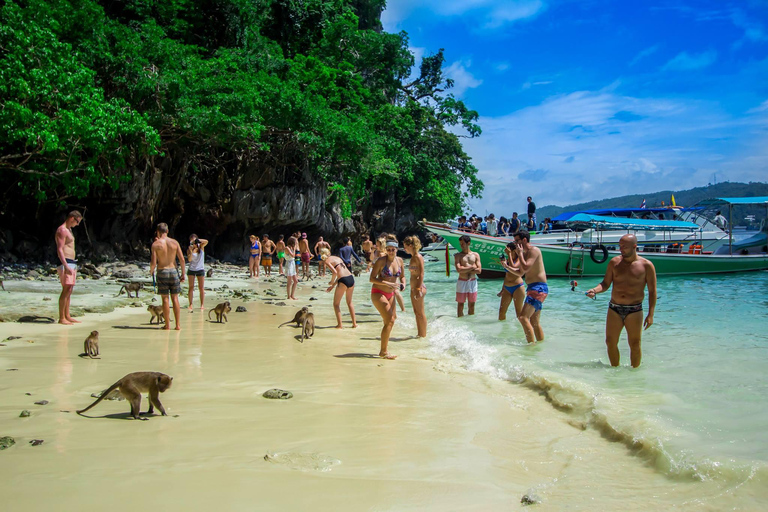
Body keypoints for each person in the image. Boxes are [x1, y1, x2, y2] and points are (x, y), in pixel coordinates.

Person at [586, 234, 657, 368]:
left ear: (634, 246)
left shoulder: (646, 265)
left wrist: (651, 315)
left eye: (624, 247)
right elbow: (605, 284)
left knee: (635, 344)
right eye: (620, 246)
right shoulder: (614, 262)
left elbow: (652, 292)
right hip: (614, 308)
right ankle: (615, 372)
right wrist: (595, 290)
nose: (621, 249)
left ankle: (634, 374)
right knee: (610, 342)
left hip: (634, 310)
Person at [370, 234, 403, 359]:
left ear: (396, 249)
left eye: (392, 249)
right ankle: (383, 351)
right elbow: (372, 279)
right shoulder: (381, 261)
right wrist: (387, 282)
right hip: (378, 292)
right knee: (390, 320)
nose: (390, 251)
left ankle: (384, 348)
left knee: (391, 320)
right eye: (388, 249)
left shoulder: (399, 261)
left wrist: (403, 283)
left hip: (391, 294)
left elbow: (403, 276)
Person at [150, 223, 186, 330]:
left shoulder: (156, 245)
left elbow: (153, 262)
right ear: (167, 231)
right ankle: (178, 325)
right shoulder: (174, 242)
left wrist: (151, 271)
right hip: (174, 271)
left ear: (158, 232)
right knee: (175, 298)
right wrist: (183, 273)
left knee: (165, 299)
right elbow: (182, 259)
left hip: (162, 271)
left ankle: (167, 325)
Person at [513, 230, 547, 343]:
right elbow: (521, 273)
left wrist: (519, 254)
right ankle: (540, 347)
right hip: (533, 288)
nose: (515, 243)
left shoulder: (534, 250)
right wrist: (507, 267)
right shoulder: (525, 254)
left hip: (538, 288)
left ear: (524, 240)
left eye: (517, 241)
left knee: (523, 317)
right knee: (534, 322)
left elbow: (526, 267)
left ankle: (530, 348)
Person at [55, 210, 83, 325]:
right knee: (66, 289)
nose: (77, 224)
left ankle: (67, 315)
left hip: (72, 261)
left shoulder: (69, 230)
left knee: (69, 289)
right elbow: (60, 249)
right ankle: (62, 318)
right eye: (77, 222)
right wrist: (65, 265)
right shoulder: (62, 230)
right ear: (72, 218)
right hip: (65, 262)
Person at [320, 248, 357, 329]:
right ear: (329, 252)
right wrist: (333, 286)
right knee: (350, 302)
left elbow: (335, 272)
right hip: (351, 278)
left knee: (336, 304)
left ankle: (340, 325)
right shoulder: (338, 258)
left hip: (343, 280)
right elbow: (341, 273)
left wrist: (332, 281)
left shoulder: (327, 261)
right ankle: (354, 324)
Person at [403, 236, 427, 337]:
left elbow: (421, 273)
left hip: (418, 287)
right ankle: (419, 334)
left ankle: (423, 335)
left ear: (411, 246)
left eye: (405, 247)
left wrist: (418, 288)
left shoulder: (418, 257)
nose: (404, 249)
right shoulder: (413, 257)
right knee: (416, 312)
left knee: (420, 313)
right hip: (413, 288)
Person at [497, 242, 525, 322]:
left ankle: (520, 332)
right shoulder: (508, 260)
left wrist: (509, 255)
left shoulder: (519, 259)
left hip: (518, 287)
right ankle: (503, 331)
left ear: (513, 251)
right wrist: (502, 289)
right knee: (501, 312)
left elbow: (514, 267)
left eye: (508, 251)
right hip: (507, 288)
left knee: (519, 313)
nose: (506, 252)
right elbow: (507, 275)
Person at [454, 234, 481, 317]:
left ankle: (471, 324)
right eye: (460, 244)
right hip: (462, 281)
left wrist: (465, 268)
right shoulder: (458, 256)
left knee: (472, 305)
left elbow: (479, 270)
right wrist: (472, 267)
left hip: (472, 282)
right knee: (460, 304)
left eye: (463, 243)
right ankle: (460, 324)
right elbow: (459, 270)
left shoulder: (476, 255)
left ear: (468, 243)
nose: (461, 245)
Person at [186, 234, 208, 310]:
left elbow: (206, 241)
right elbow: (189, 260)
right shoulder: (189, 249)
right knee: (191, 287)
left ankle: (202, 305)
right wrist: (191, 250)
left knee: (201, 288)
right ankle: (190, 304)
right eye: (192, 242)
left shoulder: (201, 247)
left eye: (194, 241)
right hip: (192, 269)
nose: (194, 243)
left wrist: (197, 241)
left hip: (200, 269)